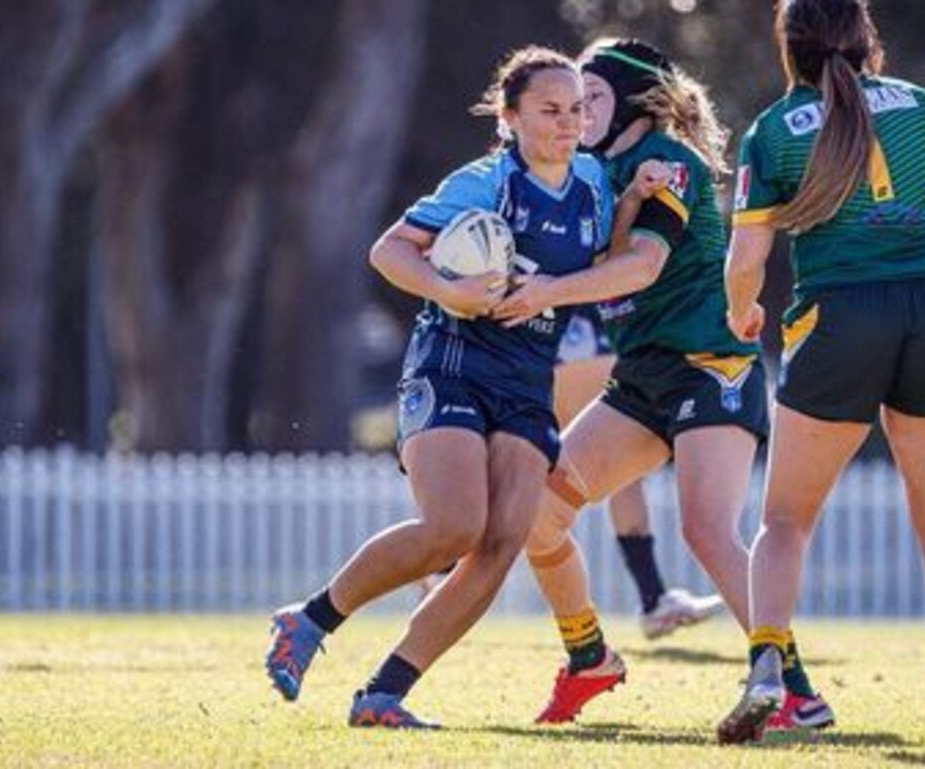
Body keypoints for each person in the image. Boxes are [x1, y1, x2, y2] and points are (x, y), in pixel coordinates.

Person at [264, 45, 619, 729]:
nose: (568, 122)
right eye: (550, 110)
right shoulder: (486, 182)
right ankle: (309, 619)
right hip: (453, 358)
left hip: (525, 376)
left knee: (502, 540)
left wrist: (643, 191)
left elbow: (616, 253)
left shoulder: (596, 185)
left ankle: (384, 693)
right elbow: (389, 249)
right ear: (511, 116)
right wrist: (450, 292)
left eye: (577, 109)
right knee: (454, 526)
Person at [493, 38, 832, 729]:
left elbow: (640, 265)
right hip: (642, 375)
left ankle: (795, 690)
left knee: (707, 528)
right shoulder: (593, 172)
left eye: (592, 98)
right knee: (538, 514)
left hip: (711, 364)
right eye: (570, 100)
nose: (578, 112)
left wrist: (548, 291)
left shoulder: (667, 163)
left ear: (634, 101)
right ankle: (590, 658)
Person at [717, 0, 925, 746]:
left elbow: (746, 262)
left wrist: (742, 315)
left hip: (838, 315)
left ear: (788, 48)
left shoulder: (772, 129)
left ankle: (767, 668)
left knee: (785, 521)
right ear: (868, 41)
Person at [554, 306, 724, 639]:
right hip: (581, 331)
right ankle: (652, 600)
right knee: (605, 473)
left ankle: (653, 598)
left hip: (553, 332)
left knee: (530, 468)